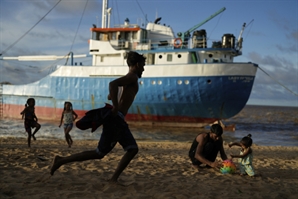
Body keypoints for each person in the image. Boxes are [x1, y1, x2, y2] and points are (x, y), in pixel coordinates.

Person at [50, 51, 146, 184]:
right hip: (117, 119)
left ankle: (61, 160)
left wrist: (113, 99)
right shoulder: (133, 77)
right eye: (143, 65)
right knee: (131, 149)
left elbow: (112, 92)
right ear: (136, 65)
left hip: (116, 119)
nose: (144, 68)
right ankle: (113, 179)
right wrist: (116, 107)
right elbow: (112, 84)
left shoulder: (127, 78)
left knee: (100, 153)